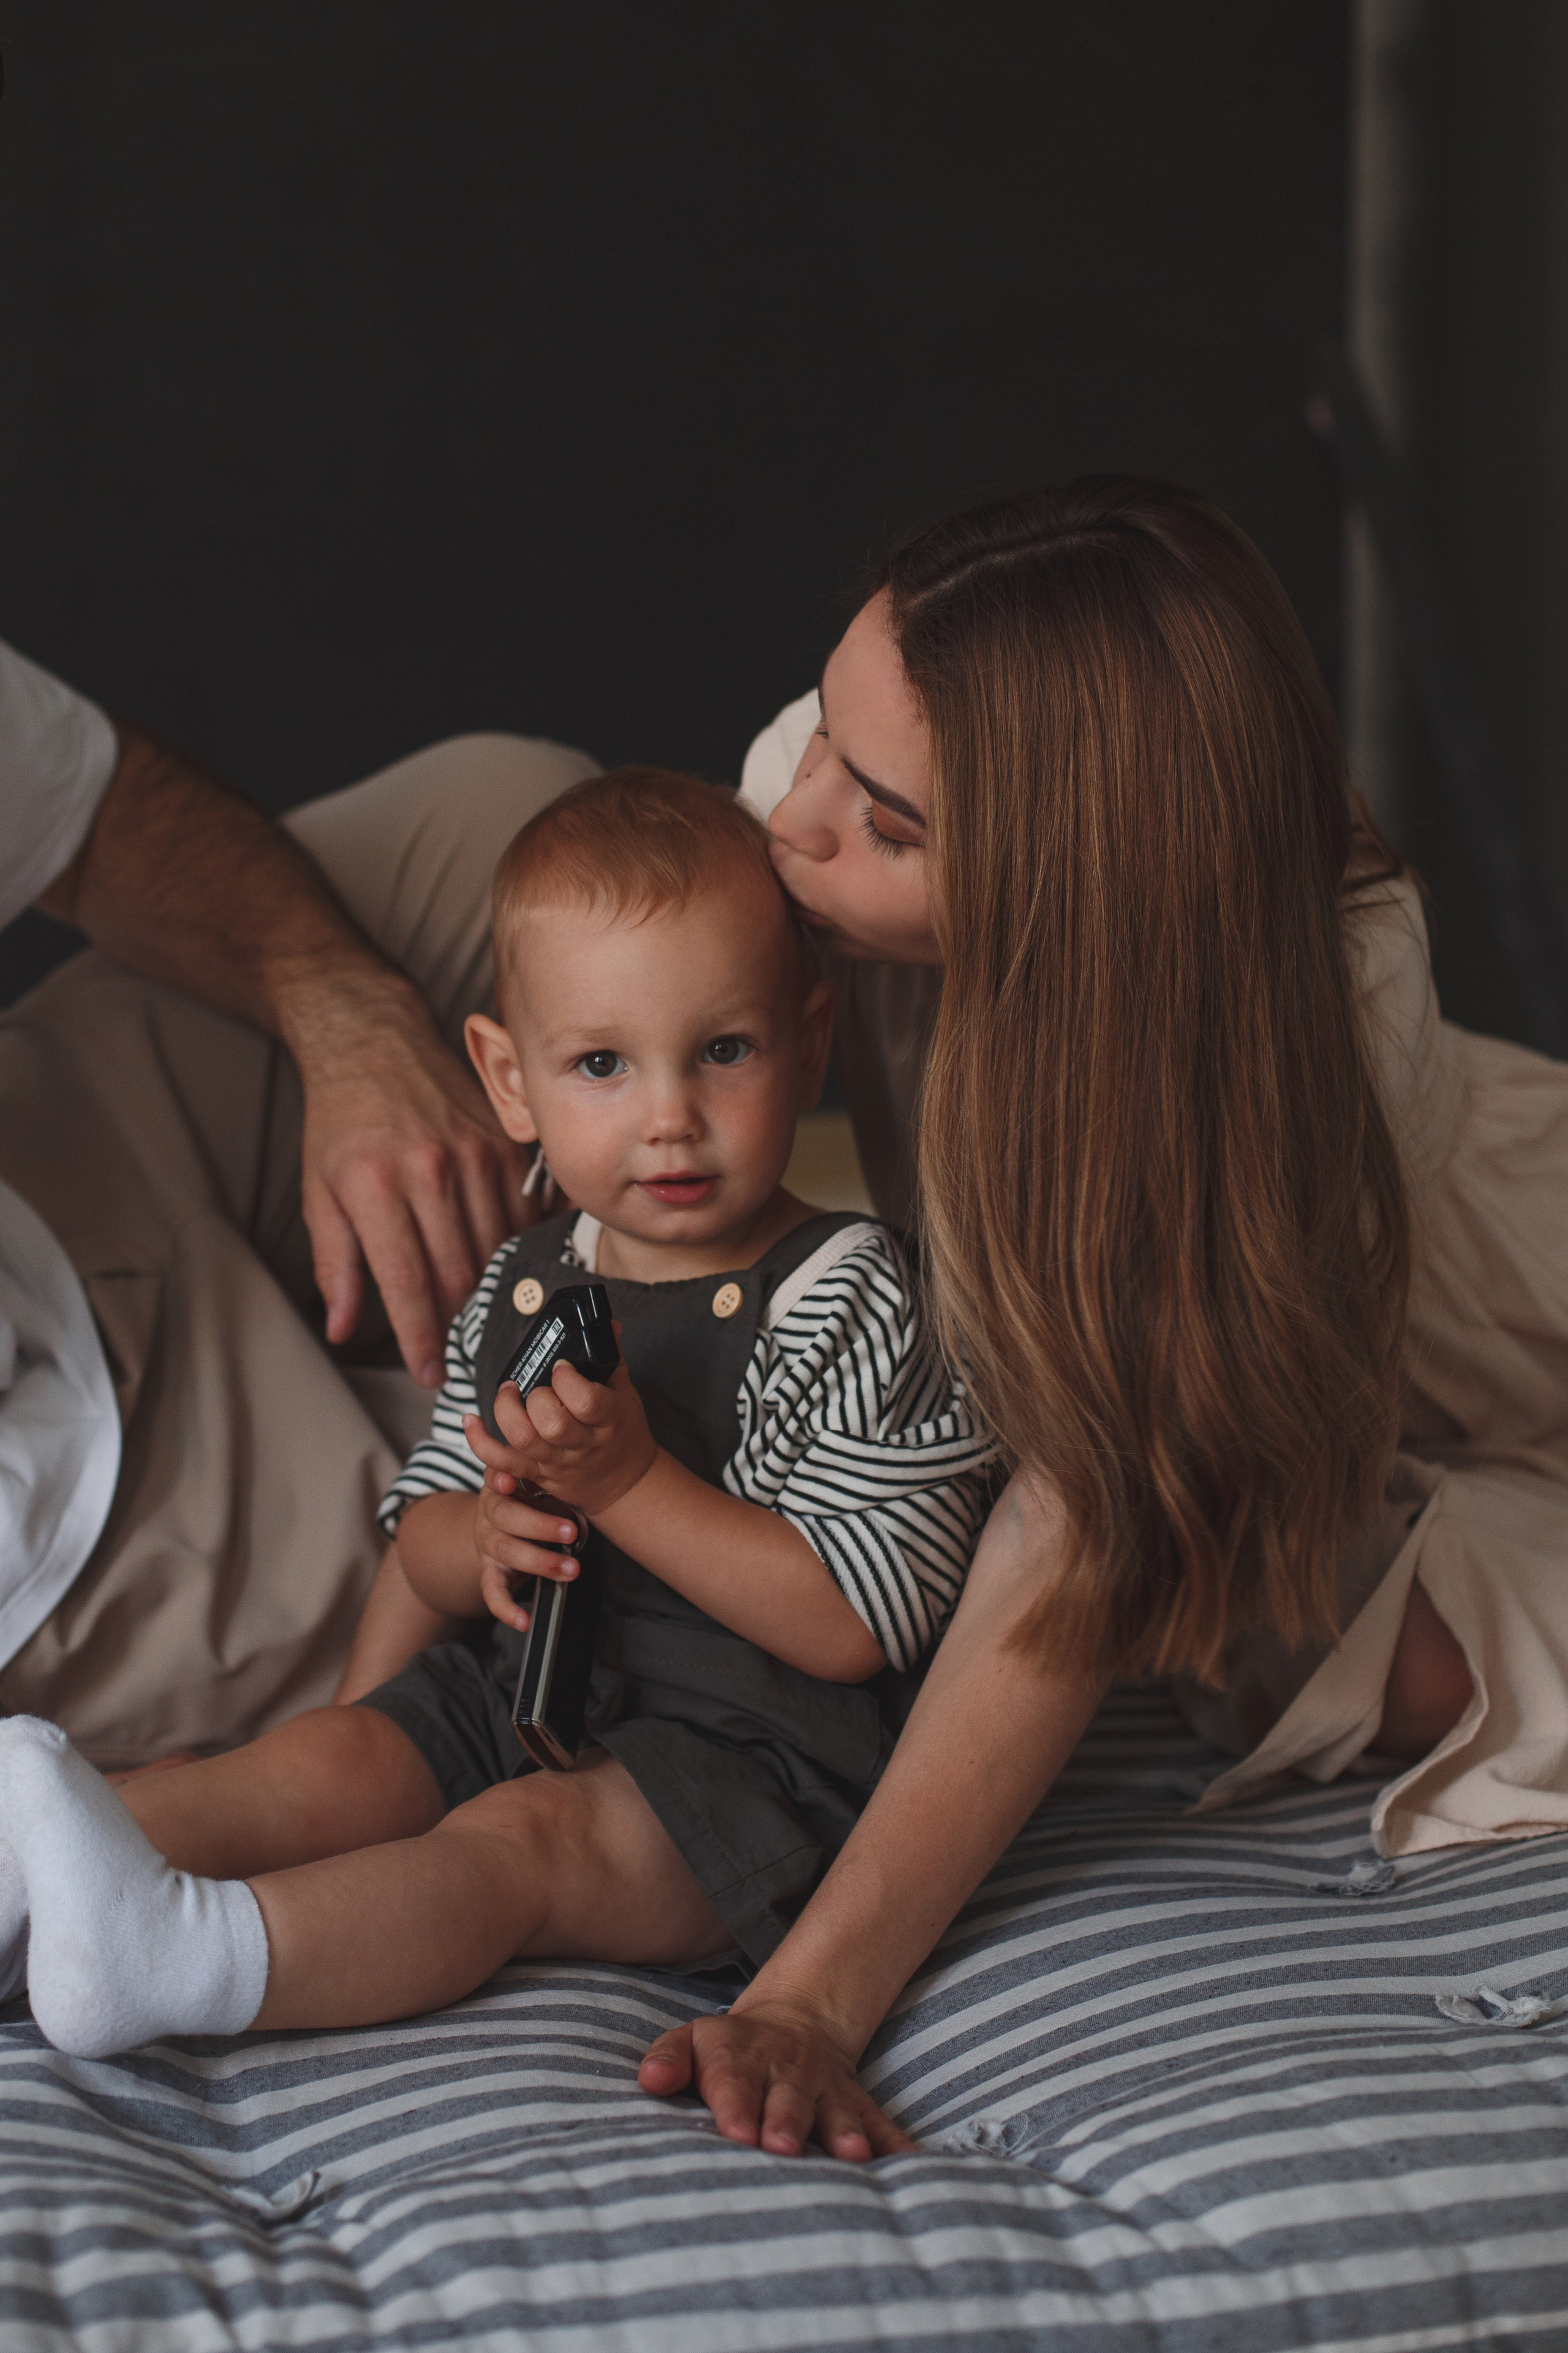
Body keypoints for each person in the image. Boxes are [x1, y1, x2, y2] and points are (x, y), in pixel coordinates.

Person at [624, 474, 1562, 2164]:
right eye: (824, 734)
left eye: (886, 823)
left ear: (1088, 898)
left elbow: (1079, 1517)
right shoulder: (837, 774)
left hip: (1486, 1334)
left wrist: (812, 1999)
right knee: (1302, 1627)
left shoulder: (1297, 1038)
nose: (800, 818)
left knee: (1376, 1652)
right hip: (1296, 1415)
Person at [0, 767, 994, 2054]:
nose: (667, 1121)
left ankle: (190, 1960)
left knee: (514, 1845)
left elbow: (858, 1622)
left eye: (724, 1051)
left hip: (742, 1774)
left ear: (810, 1039)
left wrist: (631, 1486)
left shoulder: (847, 1289)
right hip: (520, 1692)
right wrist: (459, 1561)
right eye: (599, 1064)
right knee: (321, 1769)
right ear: (507, 1081)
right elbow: (418, 1545)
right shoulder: (527, 1283)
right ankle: (26, 1882)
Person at [0, 635, 596, 1766]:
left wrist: (339, 1010)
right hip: (59, 1539)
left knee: (538, 833)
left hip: (60, 1163)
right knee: (603, 1570)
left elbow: (94, 810)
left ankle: (997, 1310)